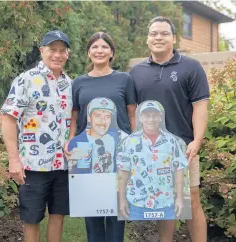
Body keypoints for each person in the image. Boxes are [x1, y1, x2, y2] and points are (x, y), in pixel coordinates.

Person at [129, 16, 209, 242]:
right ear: (147, 39)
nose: (158, 37)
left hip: (184, 147)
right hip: (151, 149)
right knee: (163, 201)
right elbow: (132, 112)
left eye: (164, 33)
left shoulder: (191, 67)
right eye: (154, 33)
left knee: (192, 200)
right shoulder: (136, 72)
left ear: (173, 38)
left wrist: (197, 141)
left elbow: (200, 107)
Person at [1, 30, 72, 242]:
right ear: (42, 50)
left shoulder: (70, 84)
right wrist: (14, 159)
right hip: (33, 165)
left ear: (67, 54)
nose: (57, 55)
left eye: (62, 51)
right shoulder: (26, 80)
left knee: (58, 215)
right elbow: (8, 120)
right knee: (31, 219)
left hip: (63, 164)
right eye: (52, 50)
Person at [67, 31, 136, 242]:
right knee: (93, 214)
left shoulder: (124, 79)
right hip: (87, 154)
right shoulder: (78, 82)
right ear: (88, 53)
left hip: (119, 152)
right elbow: (75, 114)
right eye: (95, 47)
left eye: (104, 47)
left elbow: (132, 113)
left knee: (116, 212)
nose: (99, 51)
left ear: (111, 52)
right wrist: (71, 140)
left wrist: (135, 142)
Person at [118, 100, 189, 221]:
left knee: (166, 233)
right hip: (137, 202)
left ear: (160, 117)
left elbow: (178, 169)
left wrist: (179, 198)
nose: (151, 119)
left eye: (155, 115)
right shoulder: (129, 142)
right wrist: (122, 199)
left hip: (165, 202)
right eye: (147, 115)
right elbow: (123, 171)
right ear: (140, 118)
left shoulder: (171, 141)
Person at [68, 97, 126, 174]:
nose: (103, 121)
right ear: (89, 118)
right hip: (89, 184)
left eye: (107, 116)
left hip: (112, 184)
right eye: (98, 116)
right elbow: (76, 176)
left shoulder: (116, 137)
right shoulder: (78, 142)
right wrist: (73, 166)